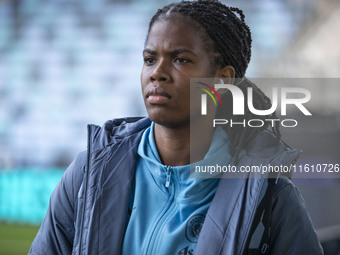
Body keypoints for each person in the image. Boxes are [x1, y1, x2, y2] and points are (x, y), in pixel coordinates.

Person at [29, 0, 324, 254]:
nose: (157, 72)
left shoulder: (271, 197)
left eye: (181, 59)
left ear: (222, 80)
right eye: (149, 59)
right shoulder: (89, 172)